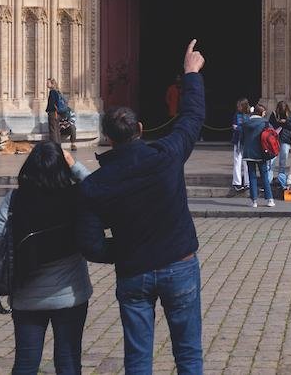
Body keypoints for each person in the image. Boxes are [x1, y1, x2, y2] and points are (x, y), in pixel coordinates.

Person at [77, 40, 208, 373]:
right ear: (139, 129)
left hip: (133, 271)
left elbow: (90, 244)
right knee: (189, 354)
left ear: (106, 137)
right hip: (179, 264)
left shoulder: (94, 185)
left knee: (137, 357)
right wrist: (190, 74)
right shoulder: (166, 156)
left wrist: (124, 249)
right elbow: (192, 117)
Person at [0, 142, 93, 375]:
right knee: (69, 362)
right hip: (71, 295)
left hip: (27, 297)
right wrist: (75, 166)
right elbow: (101, 192)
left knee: (26, 363)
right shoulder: (77, 197)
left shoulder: (15, 200)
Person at [241, 104, 273, 208]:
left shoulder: (246, 123)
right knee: (264, 175)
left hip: (248, 152)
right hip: (261, 152)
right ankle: (269, 199)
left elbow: (242, 137)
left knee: (252, 176)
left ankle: (254, 201)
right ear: (261, 113)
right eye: (264, 112)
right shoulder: (264, 123)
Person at [45, 78, 77, 150]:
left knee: (53, 130)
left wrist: (50, 110)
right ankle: (58, 145)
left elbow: (53, 104)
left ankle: (55, 146)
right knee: (56, 130)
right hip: (58, 114)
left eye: (48, 83)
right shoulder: (58, 92)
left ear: (52, 84)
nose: (46, 84)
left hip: (53, 113)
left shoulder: (52, 92)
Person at [270, 101, 291, 183]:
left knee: (283, 159)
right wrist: (278, 122)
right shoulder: (274, 114)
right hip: (275, 138)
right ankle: (269, 178)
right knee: (272, 160)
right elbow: (270, 126)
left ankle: (281, 177)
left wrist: (286, 122)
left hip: (285, 138)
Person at [230, 99, 251, 193]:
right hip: (238, 141)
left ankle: (247, 182)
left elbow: (248, 128)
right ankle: (237, 183)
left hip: (246, 141)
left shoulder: (249, 115)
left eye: (239, 105)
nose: (238, 107)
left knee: (246, 162)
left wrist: (238, 128)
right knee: (237, 162)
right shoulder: (236, 115)